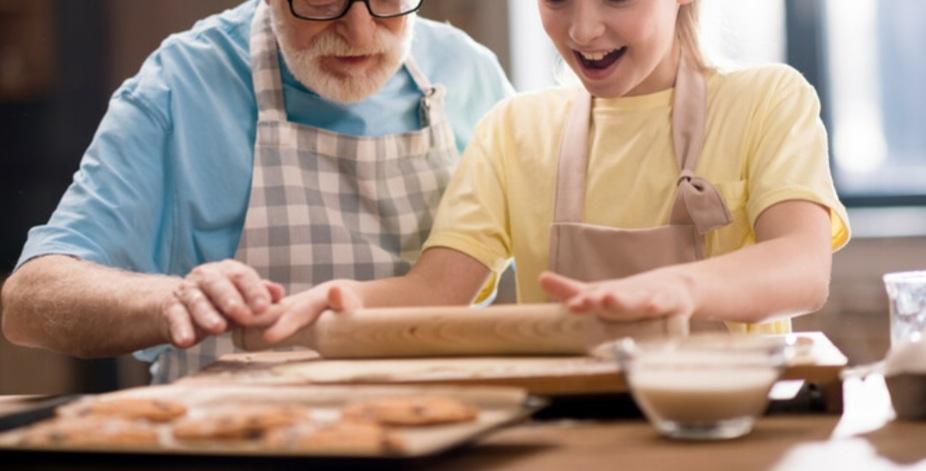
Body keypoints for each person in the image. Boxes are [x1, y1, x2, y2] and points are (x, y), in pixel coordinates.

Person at [258, 0, 850, 343]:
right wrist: (346, 298)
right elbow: (435, 292)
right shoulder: (513, 129)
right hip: (567, 434)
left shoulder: (766, 100)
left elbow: (801, 268)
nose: (583, 31)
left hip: (733, 429)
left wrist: (679, 288)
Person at [0, 0, 513, 383]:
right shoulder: (183, 84)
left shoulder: (469, 73)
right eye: (321, 0)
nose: (359, 30)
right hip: (228, 446)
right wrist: (169, 301)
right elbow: (28, 301)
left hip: (436, 433)